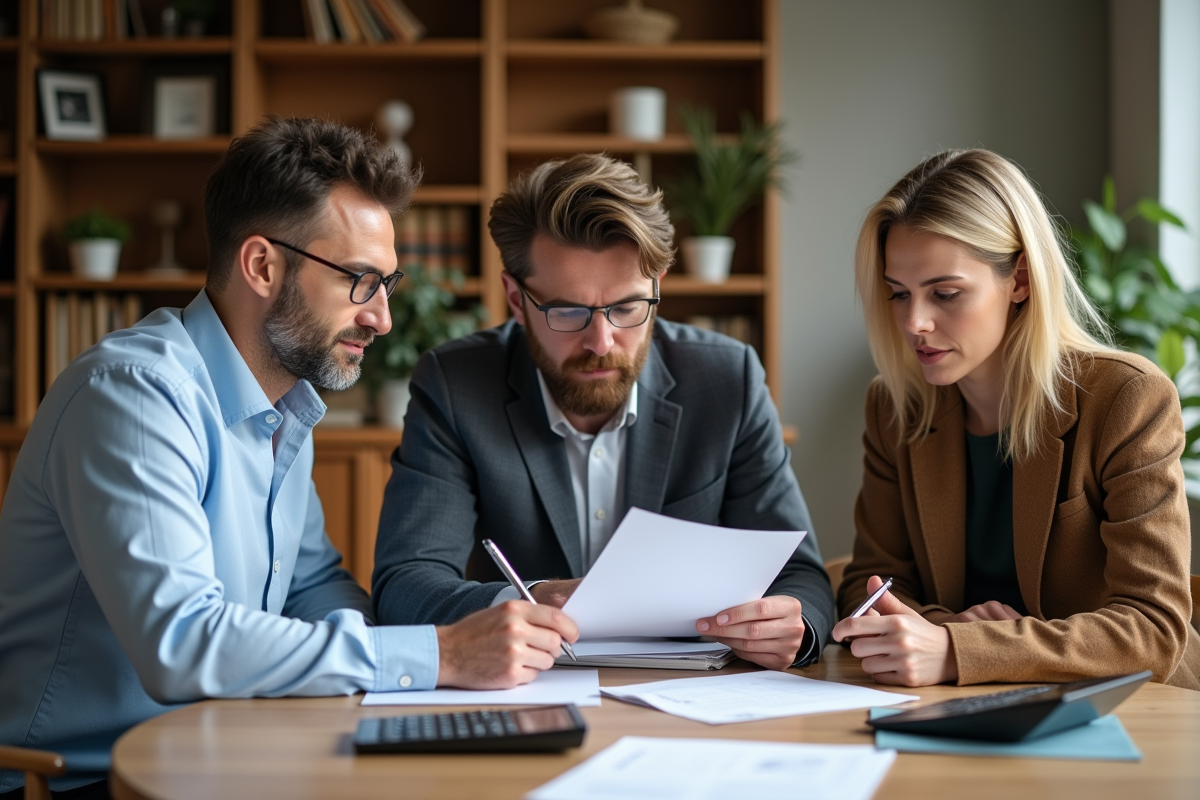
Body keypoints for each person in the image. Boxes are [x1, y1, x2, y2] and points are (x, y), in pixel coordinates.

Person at [0, 117, 576, 798]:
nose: (382, 317)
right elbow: (181, 642)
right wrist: (441, 655)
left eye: (387, 283)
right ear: (262, 266)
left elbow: (312, 587)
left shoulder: (284, 408)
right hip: (87, 779)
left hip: (226, 750)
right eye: (361, 280)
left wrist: (454, 646)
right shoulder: (135, 396)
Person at [372, 153, 834, 670]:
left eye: (628, 307)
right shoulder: (456, 385)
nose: (601, 341)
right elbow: (404, 585)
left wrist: (795, 626)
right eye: (568, 311)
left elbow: (801, 577)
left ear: (657, 286)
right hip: (527, 695)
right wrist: (522, 603)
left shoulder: (729, 380)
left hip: (691, 703)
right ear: (516, 299)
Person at [832, 148, 1200, 690]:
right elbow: (872, 581)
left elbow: (1153, 628)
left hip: (1132, 708)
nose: (915, 322)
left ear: (1020, 280)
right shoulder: (895, 408)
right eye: (898, 294)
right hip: (964, 704)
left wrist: (967, 650)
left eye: (945, 293)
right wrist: (944, 635)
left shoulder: (1126, 399)